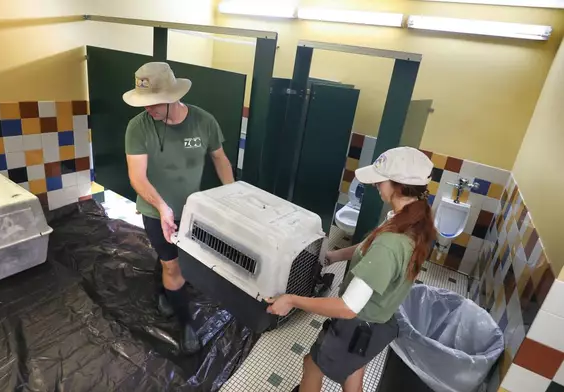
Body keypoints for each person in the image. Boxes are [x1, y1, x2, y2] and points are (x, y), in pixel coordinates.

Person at [267, 147, 436, 392]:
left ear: (398, 185)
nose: (376, 185)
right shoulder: (414, 220)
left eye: (381, 180)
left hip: (357, 325)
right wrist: (334, 255)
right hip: (378, 323)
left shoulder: (391, 243)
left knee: (312, 365)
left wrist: (291, 300)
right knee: (354, 372)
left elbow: (347, 308)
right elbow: (371, 247)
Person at [123, 62, 235, 354]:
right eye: (143, 103)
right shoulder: (138, 127)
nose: (148, 109)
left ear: (173, 97)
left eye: (153, 103)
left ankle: (163, 286)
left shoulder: (204, 121)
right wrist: (161, 207)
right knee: (172, 264)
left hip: (193, 210)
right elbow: (137, 176)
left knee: (182, 262)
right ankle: (186, 324)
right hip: (155, 210)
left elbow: (220, 159)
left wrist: (231, 195)